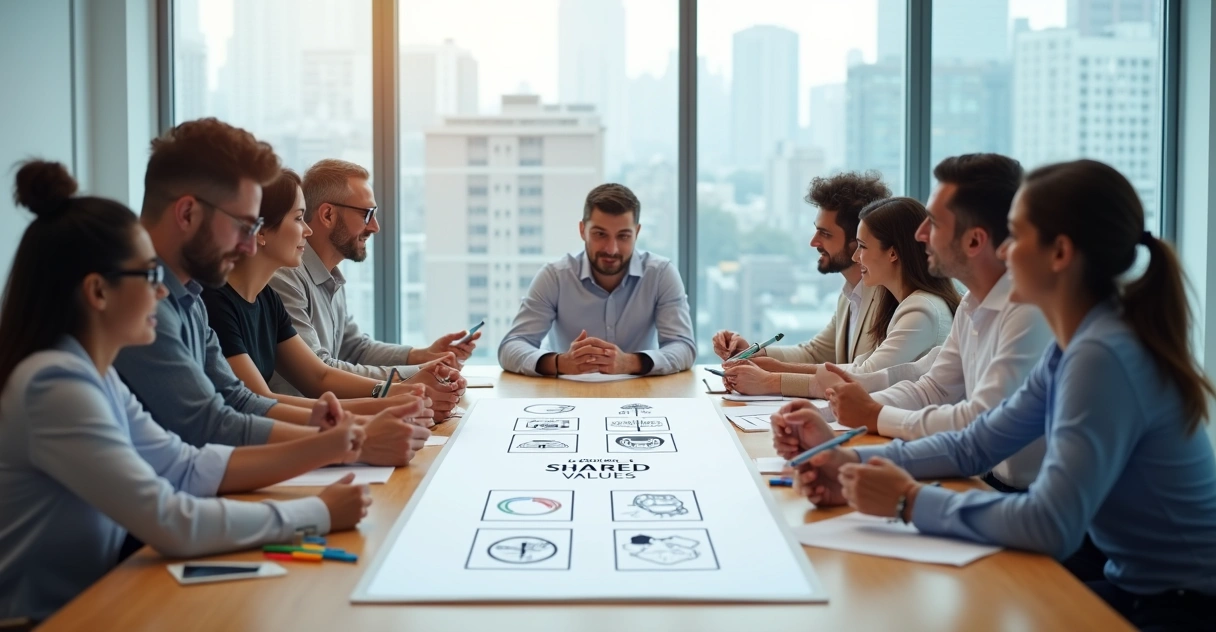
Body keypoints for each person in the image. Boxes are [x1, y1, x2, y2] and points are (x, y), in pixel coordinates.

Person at [790, 160, 1216, 631]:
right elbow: (976, 443)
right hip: (1135, 582)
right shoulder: (1075, 345)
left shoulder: (1102, 355)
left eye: (1016, 235)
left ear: (1060, 253)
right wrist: (850, 465)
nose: (1005, 250)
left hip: (1182, 606)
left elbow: (1050, 524)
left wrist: (907, 501)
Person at [0, 161, 383, 623]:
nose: (161, 294)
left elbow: (184, 465)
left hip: (96, 602)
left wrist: (326, 446)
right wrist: (316, 512)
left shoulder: (94, 375)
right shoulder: (54, 385)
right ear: (98, 292)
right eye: (148, 277)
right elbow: (170, 518)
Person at [113, 118, 431, 466]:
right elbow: (210, 425)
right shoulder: (139, 306)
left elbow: (239, 401)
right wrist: (355, 439)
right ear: (187, 213)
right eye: (243, 225)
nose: (249, 246)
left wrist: (366, 422)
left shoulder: (190, 298)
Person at [798, 154, 1053, 492]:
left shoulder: (1027, 313)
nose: (920, 235)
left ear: (974, 240)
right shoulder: (971, 304)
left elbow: (978, 425)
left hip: (1019, 491)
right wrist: (830, 418)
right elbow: (931, 389)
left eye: (933, 222)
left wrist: (872, 417)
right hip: (985, 480)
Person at [202, 169, 466, 420]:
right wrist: (394, 398)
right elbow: (259, 403)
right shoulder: (216, 302)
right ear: (260, 231)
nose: (307, 229)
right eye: (298, 218)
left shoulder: (266, 298)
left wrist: (401, 390)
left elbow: (319, 376)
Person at [268, 159, 480, 399]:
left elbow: (355, 348)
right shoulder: (286, 278)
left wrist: (423, 355)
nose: (375, 227)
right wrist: (417, 373)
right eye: (367, 214)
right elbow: (321, 371)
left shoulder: (330, 277)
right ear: (328, 215)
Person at [723, 197, 958, 397]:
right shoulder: (903, 303)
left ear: (893, 253)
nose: (856, 257)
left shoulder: (921, 310)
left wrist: (772, 380)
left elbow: (865, 377)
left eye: (863, 246)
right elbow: (856, 367)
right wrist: (773, 367)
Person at [711, 172, 890, 396]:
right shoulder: (850, 295)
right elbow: (815, 353)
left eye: (825, 234)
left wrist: (772, 379)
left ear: (858, 240)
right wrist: (754, 352)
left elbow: (865, 375)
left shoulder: (888, 299)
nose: (813, 242)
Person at [498, 183, 696, 376]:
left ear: (636, 232)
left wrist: (629, 363)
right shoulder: (555, 276)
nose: (611, 249)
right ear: (582, 230)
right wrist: (560, 363)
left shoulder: (660, 274)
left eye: (623, 236)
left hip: (642, 392)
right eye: (600, 234)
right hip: (568, 391)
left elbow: (683, 347)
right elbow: (511, 346)